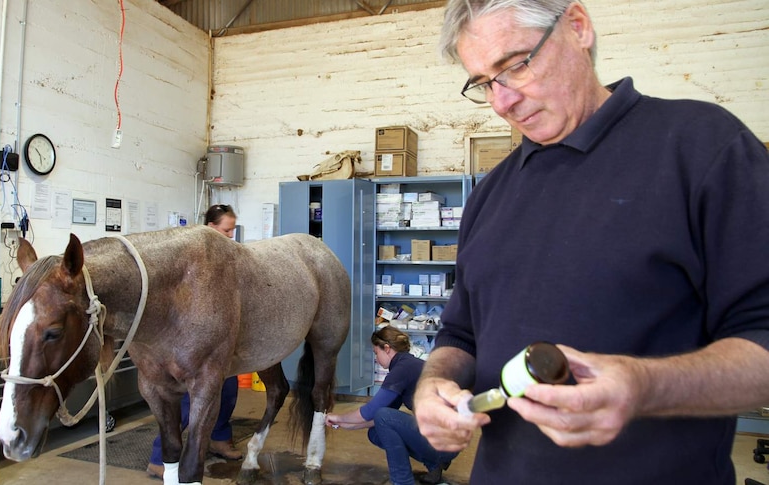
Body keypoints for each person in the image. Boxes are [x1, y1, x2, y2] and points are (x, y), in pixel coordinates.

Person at [413, 1, 769, 484]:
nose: (502, 102)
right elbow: (461, 336)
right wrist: (434, 383)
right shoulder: (488, 195)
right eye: (482, 83)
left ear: (577, 27)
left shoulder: (702, 147)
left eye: (516, 65)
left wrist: (644, 387)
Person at [147, 204, 242, 478]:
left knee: (229, 385)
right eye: (226, 230)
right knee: (190, 401)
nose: (230, 236)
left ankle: (219, 437)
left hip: (219, 338)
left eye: (233, 230)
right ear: (210, 228)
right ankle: (160, 457)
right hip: (191, 343)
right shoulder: (189, 255)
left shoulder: (224, 258)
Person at [325, 326, 458, 485]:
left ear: (387, 349)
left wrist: (337, 416)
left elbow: (372, 411)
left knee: (383, 416)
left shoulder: (402, 369)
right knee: (375, 432)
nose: (376, 358)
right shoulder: (408, 365)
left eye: (376, 353)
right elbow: (378, 419)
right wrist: (343, 424)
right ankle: (435, 465)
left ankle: (402, 481)